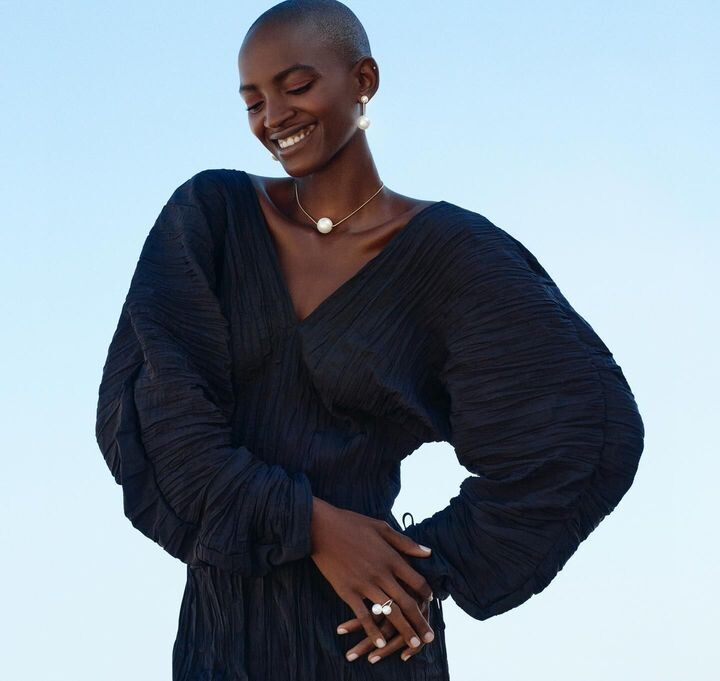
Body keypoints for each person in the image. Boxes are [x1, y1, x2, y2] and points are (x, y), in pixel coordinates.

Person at [94, 1, 645, 679]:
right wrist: (314, 525)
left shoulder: (452, 255)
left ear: (363, 79)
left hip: (374, 638)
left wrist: (427, 565)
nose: (273, 117)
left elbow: (583, 433)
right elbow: (155, 422)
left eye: (297, 86)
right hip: (223, 637)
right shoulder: (211, 217)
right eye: (253, 102)